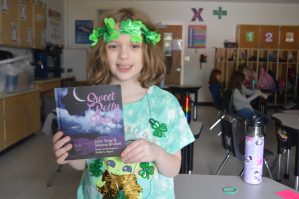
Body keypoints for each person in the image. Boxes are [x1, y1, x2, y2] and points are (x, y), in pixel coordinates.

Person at [52, 8, 195, 199]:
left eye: (134, 46)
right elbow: (83, 164)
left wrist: (157, 152)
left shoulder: (165, 104)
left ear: (147, 51)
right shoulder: (91, 101)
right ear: (102, 52)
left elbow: (173, 168)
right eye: (113, 46)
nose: (124, 55)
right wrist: (67, 152)